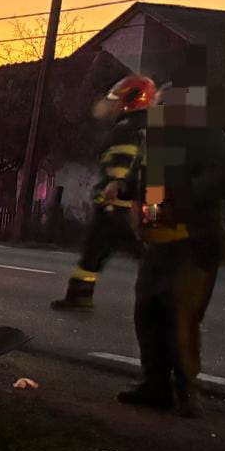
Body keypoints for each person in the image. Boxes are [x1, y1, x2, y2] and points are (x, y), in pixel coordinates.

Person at [118, 64, 225, 419]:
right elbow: (142, 179)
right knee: (148, 311)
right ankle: (154, 384)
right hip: (158, 241)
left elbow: (221, 179)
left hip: (193, 240)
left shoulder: (209, 138)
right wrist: (132, 200)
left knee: (181, 316)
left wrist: (176, 204)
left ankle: (187, 389)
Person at [51, 75, 156, 311]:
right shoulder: (144, 126)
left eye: (119, 99)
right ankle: (79, 295)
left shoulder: (129, 127)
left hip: (118, 204)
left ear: (132, 100)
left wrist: (115, 184)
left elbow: (124, 158)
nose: (114, 104)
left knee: (140, 253)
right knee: (94, 251)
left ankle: (167, 297)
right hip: (124, 202)